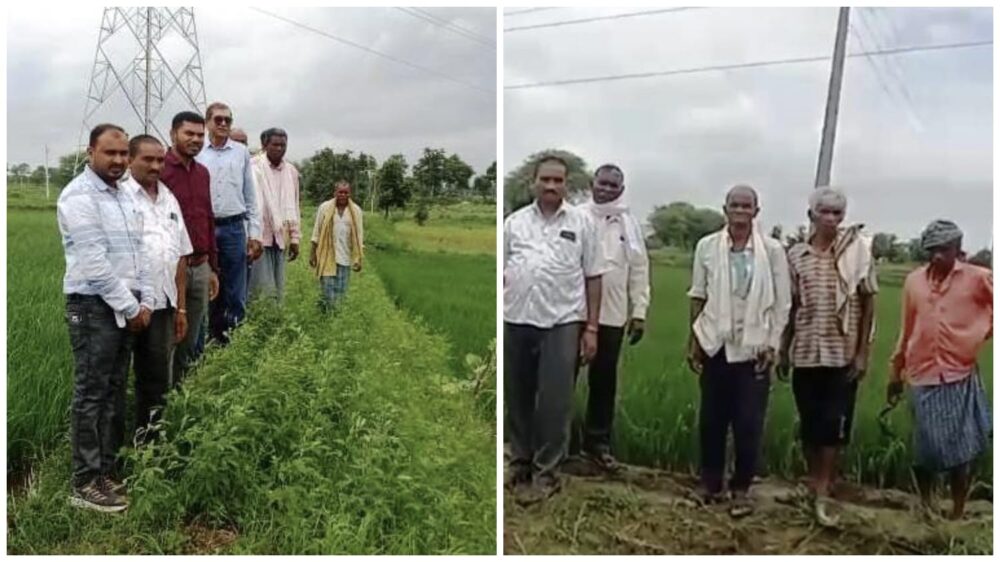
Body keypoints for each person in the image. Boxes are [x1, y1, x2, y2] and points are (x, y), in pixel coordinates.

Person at [58, 123, 154, 512]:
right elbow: (95, 265)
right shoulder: (78, 196)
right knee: (91, 392)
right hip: (93, 305)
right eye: (109, 153)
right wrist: (132, 308)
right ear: (90, 152)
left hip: (126, 303)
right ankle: (84, 481)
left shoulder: (125, 196)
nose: (117, 161)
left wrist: (144, 299)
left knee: (114, 389)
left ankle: (107, 470)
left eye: (121, 154)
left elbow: (140, 252)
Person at [503, 155, 607, 505]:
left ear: (567, 184)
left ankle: (547, 472)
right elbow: (503, 270)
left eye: (558, 180)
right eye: (545, 179)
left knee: (554, 400)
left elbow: (593, 276)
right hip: (517, 318)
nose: (551, 186)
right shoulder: (514, 223)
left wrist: (591, 327)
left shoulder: (583, 224)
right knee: (517, 394)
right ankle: (519, 462)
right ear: (533, 181)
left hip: (562, 322)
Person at [687, 184, 791, 518]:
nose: (741, 211)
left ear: (756, 211)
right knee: (712, 419)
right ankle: (709, 483)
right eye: (735, 205)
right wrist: (694, 342)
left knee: (748, 422)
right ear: (725, 208)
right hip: (715, 343)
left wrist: (774, 344)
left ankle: (742, 488)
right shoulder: (707, 247)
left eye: (747, 206)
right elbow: (698, 295)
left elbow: (782, 303)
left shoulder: (772, 251)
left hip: (755, 348)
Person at [778, 186, 877, 525]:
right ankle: (813, 480)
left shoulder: (856, 253)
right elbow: (791, 307)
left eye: (838, 213)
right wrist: (782, 349)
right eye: (826, 212)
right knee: (809, 422)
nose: (832, 219)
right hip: (805, 350)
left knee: (834, 424)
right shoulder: (795, 256)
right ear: (811, 216)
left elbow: (867, 303)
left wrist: (863, 352)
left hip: (841, 354)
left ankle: (824, 487)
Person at [888, 219, 992, 520]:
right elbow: (906, 327)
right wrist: (896, 369)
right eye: (931, 250)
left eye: (944, 250)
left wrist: (979, 332)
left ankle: (958, 511)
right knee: (927, 448)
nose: (937, 256)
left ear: (958, 250)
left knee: (961, 451)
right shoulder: (914, 281)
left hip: (959, 373)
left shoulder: (978, 278)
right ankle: (926, 503)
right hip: (922, 372)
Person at [575, 163, 650, 470]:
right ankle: (553, 443)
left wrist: (640, 310)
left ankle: (597, 444)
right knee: (561, 379)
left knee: (603, 382)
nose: (606, 189)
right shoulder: (576, 216)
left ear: (621, 190)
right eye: (602, 183)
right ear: (593, 184)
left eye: (613, 186)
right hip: (573, 312)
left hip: (613, 315)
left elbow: (640, 269)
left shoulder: (628, 223)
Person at [122, 135, 194, 442]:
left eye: (160, 160)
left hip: (163, 304)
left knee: (155, 380)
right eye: (147, 159)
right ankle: (106, 460)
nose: (155, 166)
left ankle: (149, 447)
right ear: (130, 160)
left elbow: (180, 255)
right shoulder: (119, 196)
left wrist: (180, 306)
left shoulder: (169, 198)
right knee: (112, 381)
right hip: (124, 305)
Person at [196, 102, 261, 344]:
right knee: (210, 287)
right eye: (218, 120)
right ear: (207, 123)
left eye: (228, 120)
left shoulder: (241, 152)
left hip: (235, 229)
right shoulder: (198, 151)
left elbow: (250, 196)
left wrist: (254, 234)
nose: (223, 124)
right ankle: (211, 338)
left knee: (236, 290)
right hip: (206, 228)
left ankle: (234, 341)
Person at [161, 111, 219, 384]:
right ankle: (157, 407)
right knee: (168, 339)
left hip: (200, 265)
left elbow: (208, 219)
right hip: (170, 268)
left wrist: (212, 268)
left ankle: (179, 396)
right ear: (173, 134)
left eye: (200, 135)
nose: (196, 140)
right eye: (189, 134)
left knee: (190, 339)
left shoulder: (202, 173)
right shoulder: (158, 169)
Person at [249, 128, 301, 301]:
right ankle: (258, 322)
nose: (279, 148)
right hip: (259, 237)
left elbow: (294, 205)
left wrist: (295, 238)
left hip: (280, 236)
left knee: (278, 287)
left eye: (283, 145)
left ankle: (275, 322)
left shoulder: (291, 172)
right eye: (275, 144)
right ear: (264, 145)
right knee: (260, 288)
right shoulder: (253, 166)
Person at [309, 181, 363, 311]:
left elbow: (359, 236)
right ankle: (326, 316)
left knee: (341, 293)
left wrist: (358, 259)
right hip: (326, 256)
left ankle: (335, 318)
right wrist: (313, 254)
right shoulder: (325, 208)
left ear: (350, 194)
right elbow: (317, 231)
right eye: (340, 192)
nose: (343, 195)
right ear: (335, 193)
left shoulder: (356, 211)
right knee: (327, 291)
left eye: (346, 192)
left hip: (344, 258)